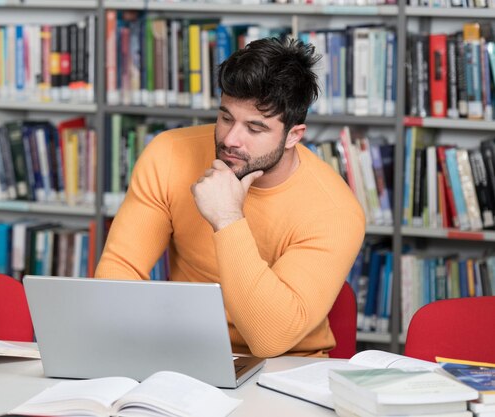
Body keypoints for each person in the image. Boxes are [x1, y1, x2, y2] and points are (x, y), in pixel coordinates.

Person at [95, 37, 365, 358]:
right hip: (182, 353)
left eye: (255, 128)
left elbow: (270, 340)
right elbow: (119, 272)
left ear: (293, 135)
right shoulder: (168, 154)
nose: (231, 140)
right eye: (225, 117)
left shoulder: (334, 212)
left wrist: (227, 218)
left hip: (285, 369)